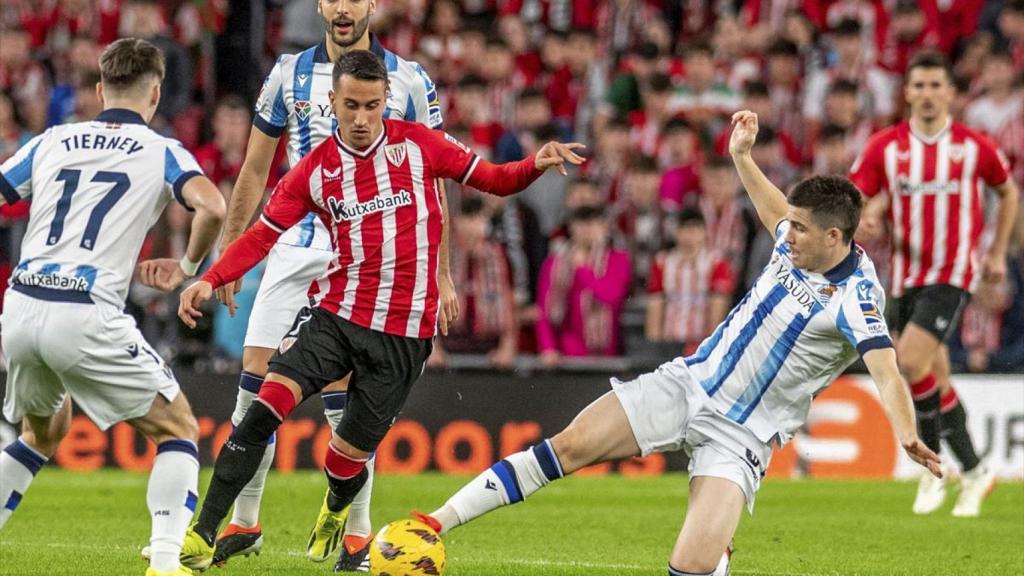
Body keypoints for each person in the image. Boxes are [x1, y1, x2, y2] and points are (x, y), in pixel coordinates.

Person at [413, 110, 941, 576]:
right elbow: (773, 209)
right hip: (689, 383)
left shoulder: (857, 299)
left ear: (835, 237)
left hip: (741, 435)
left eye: (800, 229)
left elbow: (887, 370)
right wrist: (741, 157)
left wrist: (905, 431)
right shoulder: (798, 240)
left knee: (690, 566)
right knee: (568, 447)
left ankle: (716, 554)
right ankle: (432, 524)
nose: (787, 233)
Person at [174, 50, 584, 572]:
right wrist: (210, 277)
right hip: (336, 317)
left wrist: (534, 164)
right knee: (262, 408)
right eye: (351, 106)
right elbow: (261, 236)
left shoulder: (421, 144)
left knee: (344, 460)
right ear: (332, 102)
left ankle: (335, 508)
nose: (362, 118)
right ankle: (202, 534)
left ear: (387, 100)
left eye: (372, 105)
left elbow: (494, 179)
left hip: (403, 338)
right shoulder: (313, 171)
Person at [210, 0, 452, 569]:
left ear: (373, 5)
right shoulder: (287, 72)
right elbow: (255, 167)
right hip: (295, 246)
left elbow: (436, 178)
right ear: (319, 5)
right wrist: (231, 250)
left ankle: (357, 535)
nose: (343, 7)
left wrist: (441, 271)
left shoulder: (409, 78)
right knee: (255, 379)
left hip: (368, 254)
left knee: (347, 396)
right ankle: (246, 522)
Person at [0, 38, 225, 576]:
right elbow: (213, 207)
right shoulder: (163, 150)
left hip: (22, 307)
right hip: (83, 311)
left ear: (100, 91)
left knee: (42, 433)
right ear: (156, 94)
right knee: (178, 428)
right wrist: (187, 267)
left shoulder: (52, 139)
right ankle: (166, 563)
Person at [849, 51, 1020, 517]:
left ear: (951, 93)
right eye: (919, 86)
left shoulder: (973, 146)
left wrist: (997, 252)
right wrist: (868, 215)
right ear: (907, 92)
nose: (927, 94)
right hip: (905, 277)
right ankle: (977, 470)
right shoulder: (885, 146)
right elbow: (861, 197)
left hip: (953, 272)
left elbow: (1007, 192)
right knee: (934, 377)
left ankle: (930, 471)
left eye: (935, 85)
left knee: (910, 360)